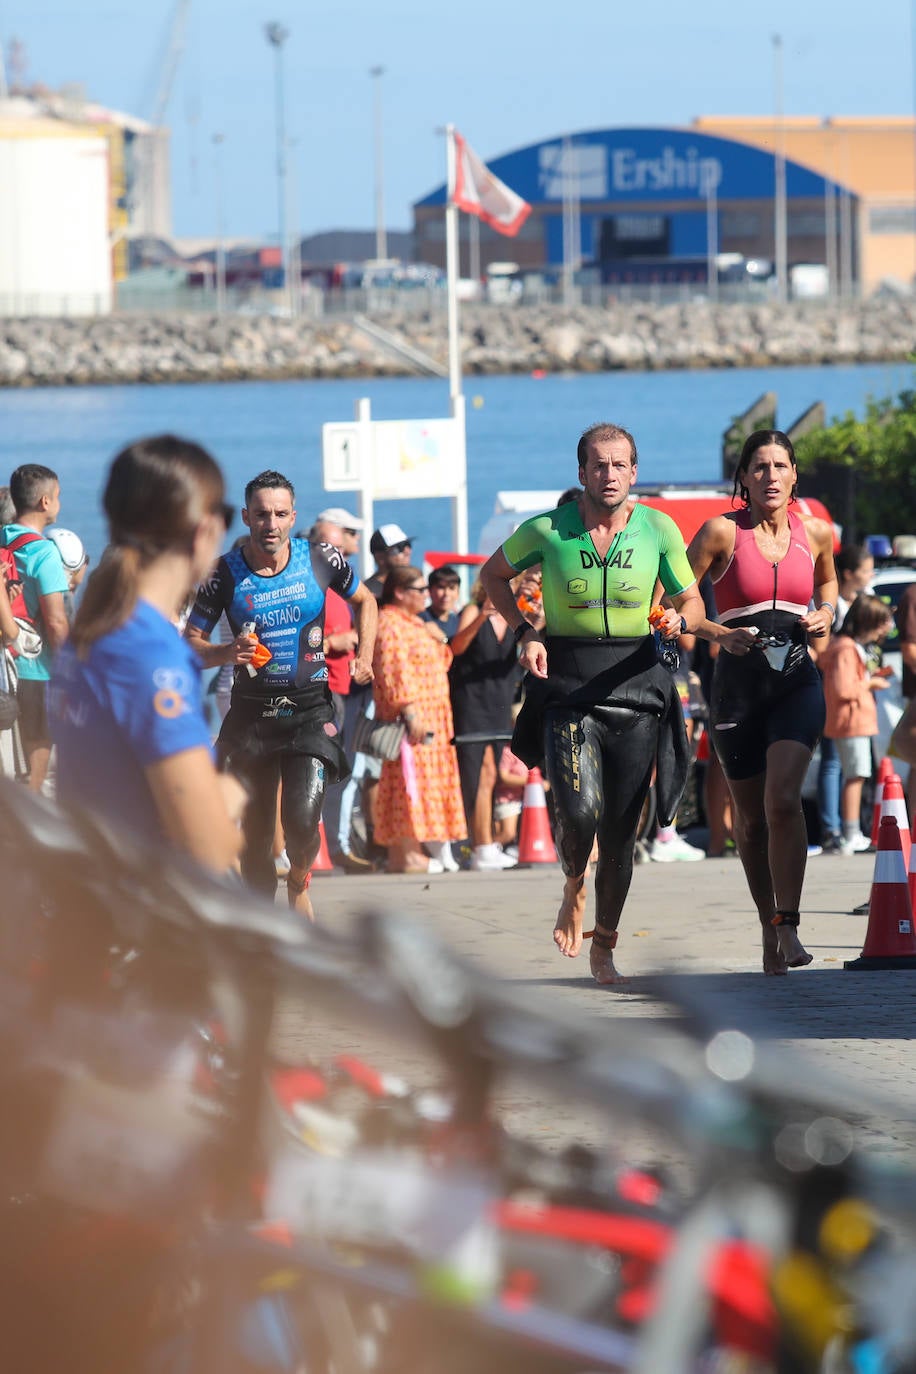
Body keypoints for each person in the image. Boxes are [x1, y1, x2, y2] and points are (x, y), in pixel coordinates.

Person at [480, 422, 703, 985]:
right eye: (598, 465)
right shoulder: (548, 530)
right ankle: (573, 883)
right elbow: (493, 575)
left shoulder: (658, 527)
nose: (609, 474)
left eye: (619, 464)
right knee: (578, 813)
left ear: (634, 470)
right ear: (581, 473)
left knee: (623, 834)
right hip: (570, 686)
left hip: (638, 684)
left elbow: (691, 599)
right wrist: (526, 631)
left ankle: (604, 943)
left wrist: (680, 618)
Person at [185, 470, 377, 917]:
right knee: (254, 844)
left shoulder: (320, 557)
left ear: (293, 517)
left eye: (279, 514)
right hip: (250, 719)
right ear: (247, 518)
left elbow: (366, 600)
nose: (270, 524)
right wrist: (225, 651)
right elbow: (190, 646)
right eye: (261, 515)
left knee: (303, 822)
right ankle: (263, 940)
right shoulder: (224, 574)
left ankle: (299, 878)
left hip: (309, 711)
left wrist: (365, 656)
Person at [49, 435, 245, 871]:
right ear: (204, 530)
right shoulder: (150, 653)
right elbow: (210, 846)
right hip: (140, 911)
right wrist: (232, 797)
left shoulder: (93, 633)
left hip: (89, 894)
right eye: (227, 516)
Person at [687, 429, 838, 975]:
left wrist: (826, 613)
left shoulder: (816, 532)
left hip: (797, 681)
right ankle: (767, 927)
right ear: (744, 478)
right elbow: (672, 605)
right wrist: (716, 634)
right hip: (736, 688)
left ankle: (788, 924)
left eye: (780, 466)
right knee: (749, 822)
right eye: (759, 467)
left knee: (782, 801)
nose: (770, 476)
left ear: (795, 474)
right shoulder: (719, 534)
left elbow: (829, 584)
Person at [372, 565, 465, 874]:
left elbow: (443, 659)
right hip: (413, 718)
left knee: (422, 784)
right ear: (400, 592)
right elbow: (393, 668)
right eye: (421, 590)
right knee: (409, 783)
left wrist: (439, 640)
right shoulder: (389, 622)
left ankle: (410, 853)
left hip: (433, 716)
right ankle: (409, 854)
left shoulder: (412, 622)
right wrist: (409, 710)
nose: (427, 595)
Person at [1, 464, 70, 792]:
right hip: (37, 670)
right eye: (57, 496)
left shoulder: (2, 537)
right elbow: (56, 620)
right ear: (45, 502)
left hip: (6, 666)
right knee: (36, 768)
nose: (58, 502)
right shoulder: (44, 552)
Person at [449, 576, 523, 870]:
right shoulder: (474, 609)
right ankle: (480, 845)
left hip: (499, 704)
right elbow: (457, 647)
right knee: (480, 774)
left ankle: (487, 843)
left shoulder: (514, 614)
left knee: (492, 775)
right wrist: (482, 616)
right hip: (472, 702)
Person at [815, 543, 877, 851]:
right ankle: (832, 829)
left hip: (848, 691)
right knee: (832, 761)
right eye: (867, 570)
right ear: (849, 573)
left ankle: (844, 826)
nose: (871, 575)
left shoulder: (860, 600)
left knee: (847, 766)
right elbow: (820, 649)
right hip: (833, 692)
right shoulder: (832, 604)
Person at [821, 594, 893, 854]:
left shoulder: (845, 646)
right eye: (880, 624)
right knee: (856, 776)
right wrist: (870, 682)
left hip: (854, 721)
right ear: (867, 622)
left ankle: (851, 831)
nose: (884, 630)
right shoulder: (846, 648)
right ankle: (851, 833)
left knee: (855, 774)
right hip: (851, 721)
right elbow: (844, 688)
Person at [365, 524, 414, 600]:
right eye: (400, 547)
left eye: (408, 545)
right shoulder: (369, 592)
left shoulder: (412, 586)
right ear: (380, 556)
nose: (408, 551)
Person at [421, 565, 462, 641]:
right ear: (430, 591)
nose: (446, 593)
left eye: (452, 588)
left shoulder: (460, 622)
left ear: (458, 593)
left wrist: (444, 639)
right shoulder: (419, 619)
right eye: (441, 587)